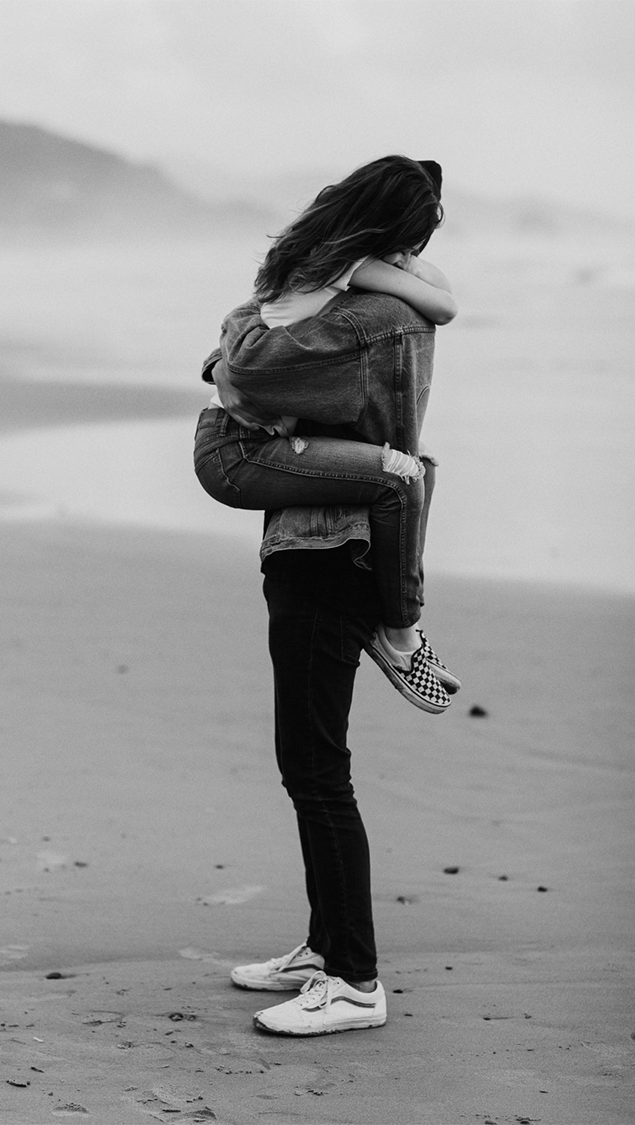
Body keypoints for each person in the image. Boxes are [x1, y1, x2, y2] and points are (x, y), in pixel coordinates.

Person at [191, 162, 462, 1035]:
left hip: (327, 544)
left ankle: (353, 979)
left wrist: (240, 338)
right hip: (333, 539)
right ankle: (323, 945)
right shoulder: (397, 306)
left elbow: (243, 372)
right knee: (311, 766)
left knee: (316, 769)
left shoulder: (364, 317)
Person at [193, 155, 460, 714]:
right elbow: (444, 303)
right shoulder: (345, 263)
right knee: (403, 478)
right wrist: (405, 266)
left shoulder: (326, 258)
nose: (414, 256)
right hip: (239, 450)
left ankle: (399, 621)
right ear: (389, 227)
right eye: (412, 239)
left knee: (422, 466)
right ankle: (400, 631)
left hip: (260, 431)